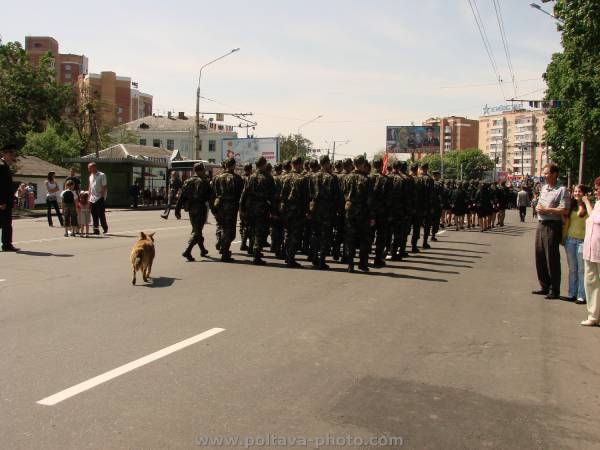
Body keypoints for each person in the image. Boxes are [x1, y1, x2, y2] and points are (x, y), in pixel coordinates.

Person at [532, 163, 570, 300]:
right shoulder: (544, 188)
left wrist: (547, 210)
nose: (544, 175)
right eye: (544, 173)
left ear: (555, 174)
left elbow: (565, 210)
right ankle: (544, 286)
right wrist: (538, 207)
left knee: (551, 258)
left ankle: (555, 289)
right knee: (540, 255)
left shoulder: (562, 190)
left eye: (547, 173)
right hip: (541, 224)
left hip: (553, 225)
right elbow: (540, 204)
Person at [239, 157, 276, 265]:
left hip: (251, 208)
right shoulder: (268, 177)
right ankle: (256, 255)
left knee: (253, 229)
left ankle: (253, 250)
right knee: (261, 231)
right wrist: (274, 211)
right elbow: (273, 196)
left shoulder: (251, 176)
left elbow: (244, 194)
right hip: (262, 208)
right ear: (263, 164)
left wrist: (242, 209)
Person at [308, 154, 341, 270]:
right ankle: (322, 260)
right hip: (327, 211)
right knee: (325, 236)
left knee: (315, 235)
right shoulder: (333, 178)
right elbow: (337, 197)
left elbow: (309, 194)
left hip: (315, 210)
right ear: (327, 163)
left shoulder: (312, 176)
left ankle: (314, 258)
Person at [341, 155, 372, 272]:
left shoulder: (346, 178)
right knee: (365, 239)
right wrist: (371, 215)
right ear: (363, 164)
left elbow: (342, 194)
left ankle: (350, 264)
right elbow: (370, 200)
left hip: (349, 212)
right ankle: (362, 263)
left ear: (354, 164)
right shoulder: (367, 179)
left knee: (350, 238)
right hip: (363, 213)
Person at [175, 163, 212, 261]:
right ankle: (187, 251)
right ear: (202, 170)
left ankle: (203, 250)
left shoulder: (188, 181)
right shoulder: (203, 181)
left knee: (196, 229)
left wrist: (177, 209)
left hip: (191, 208)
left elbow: (182, 196)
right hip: (200, 208)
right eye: (204, 170)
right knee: (197, 231)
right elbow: (210, 197)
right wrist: (215, 210)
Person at [211, 158, 244, 262]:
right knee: (230, 231)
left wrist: (214, 210)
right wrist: (242, 208)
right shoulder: (237, 178)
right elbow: (241, 196)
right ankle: (225, 252)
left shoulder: (217, 178)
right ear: (233, 166)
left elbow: (212, 195)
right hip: (231, 207)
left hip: (219, 206)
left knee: (223, 227)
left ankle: (222, 246)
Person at [279, 156, 308, 268]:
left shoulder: (284, 177)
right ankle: (290, 258)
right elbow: (305, 198)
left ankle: (287, 255)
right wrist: (306, 212)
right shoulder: (302, 179)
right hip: (297, 211)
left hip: (285, 210)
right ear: (300, 164)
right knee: (296, 235)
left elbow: (278, 195)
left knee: (287, 233)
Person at [563, 185, 588, 304]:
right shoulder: (571, 206)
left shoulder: (588, 206)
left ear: (584, 193)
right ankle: (572, 293)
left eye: (580, 191)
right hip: (570, 240)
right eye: (575, 191)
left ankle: (581, 295)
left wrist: (587, 202)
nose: (577, 193)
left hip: (583, 241)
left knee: (582, 269)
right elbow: (566, 221)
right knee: (572, 269)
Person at [581, 178, 600, 326]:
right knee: (591, 281)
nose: (596, 191)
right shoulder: (598, 203)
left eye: (598, 188)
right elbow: (592, 216)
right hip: (590, 250)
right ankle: (593, 315)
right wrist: (586, 203)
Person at [0, 146, 19, 251]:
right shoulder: (1, 166)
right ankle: (6, 245)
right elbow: (1, 186)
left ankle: (7, 244)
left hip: (6, 200)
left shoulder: (5, 166)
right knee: (6, 224)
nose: (13, 156)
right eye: (11, 154)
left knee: (6, 223)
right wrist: (2, 201)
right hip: (4, 201)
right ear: (5, 153)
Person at [88, 163, 108, 235]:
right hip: (92, 198)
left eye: (90, 168)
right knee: (94, 215)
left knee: (101, 214)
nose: (89, 169)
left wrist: (102, 196)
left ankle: (105, 227)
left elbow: (104, 186)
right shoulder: (90, 176)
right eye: (88, 168)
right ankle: (96, 230)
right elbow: (90, 187)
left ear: (94, 167)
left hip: (100, 198)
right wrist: (88, 197)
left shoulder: (102, 175)